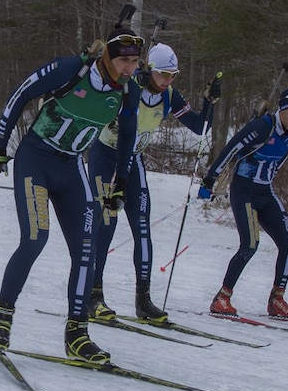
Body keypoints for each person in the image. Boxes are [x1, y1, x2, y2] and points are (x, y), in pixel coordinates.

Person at [0, 22, 143, 365]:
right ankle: (1, 316)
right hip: (36, 160)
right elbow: (20, 93)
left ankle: (77, 335)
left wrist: (121, 181)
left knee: (88, 249)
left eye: (135, 62)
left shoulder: (129, 91)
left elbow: (128, 136)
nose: (130, 68)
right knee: (36, 238)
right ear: (109, 58)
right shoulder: (72, 69)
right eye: (124, 61)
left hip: (72, 168)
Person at [86, 42, 217, 325]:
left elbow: (200, 127)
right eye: (164, 74)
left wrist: (210, 103)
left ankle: (143, 300)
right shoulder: (127, 86)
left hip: (133, 161)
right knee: (106, 223)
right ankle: (93, 295)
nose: (168, 80)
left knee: (142, 228)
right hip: (106, 156)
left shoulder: (169, 95)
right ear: (150, 70)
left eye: (173, 74)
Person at [197, 86, 288, 321]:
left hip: (265, 192)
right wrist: (210, 180)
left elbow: (278, 163)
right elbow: (231, 149)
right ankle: (222, 297)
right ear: (285, 109)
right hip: (244, 191)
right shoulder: (261, 127)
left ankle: (277, 299)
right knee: (250, 244)